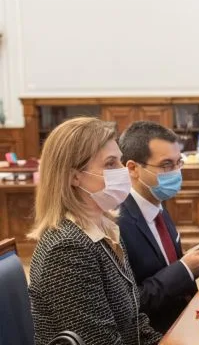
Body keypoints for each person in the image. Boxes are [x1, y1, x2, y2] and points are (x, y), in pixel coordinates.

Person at [27, 117, 161, 345]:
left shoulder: (105, 228)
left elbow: (134, 323)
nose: (123, 171)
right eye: (110, 164)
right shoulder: (67, 249)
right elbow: (100, 341)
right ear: (74, 177)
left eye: (120, 161)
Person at [117, 121, 199, 333]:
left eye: (178, 162)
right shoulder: (118, 224)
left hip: (187, 318)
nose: (176, 172)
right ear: (133, 169)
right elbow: (131, 303)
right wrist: (185, 268)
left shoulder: (157, 203)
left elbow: (168, 266)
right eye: (166, 165)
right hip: (157, 332)